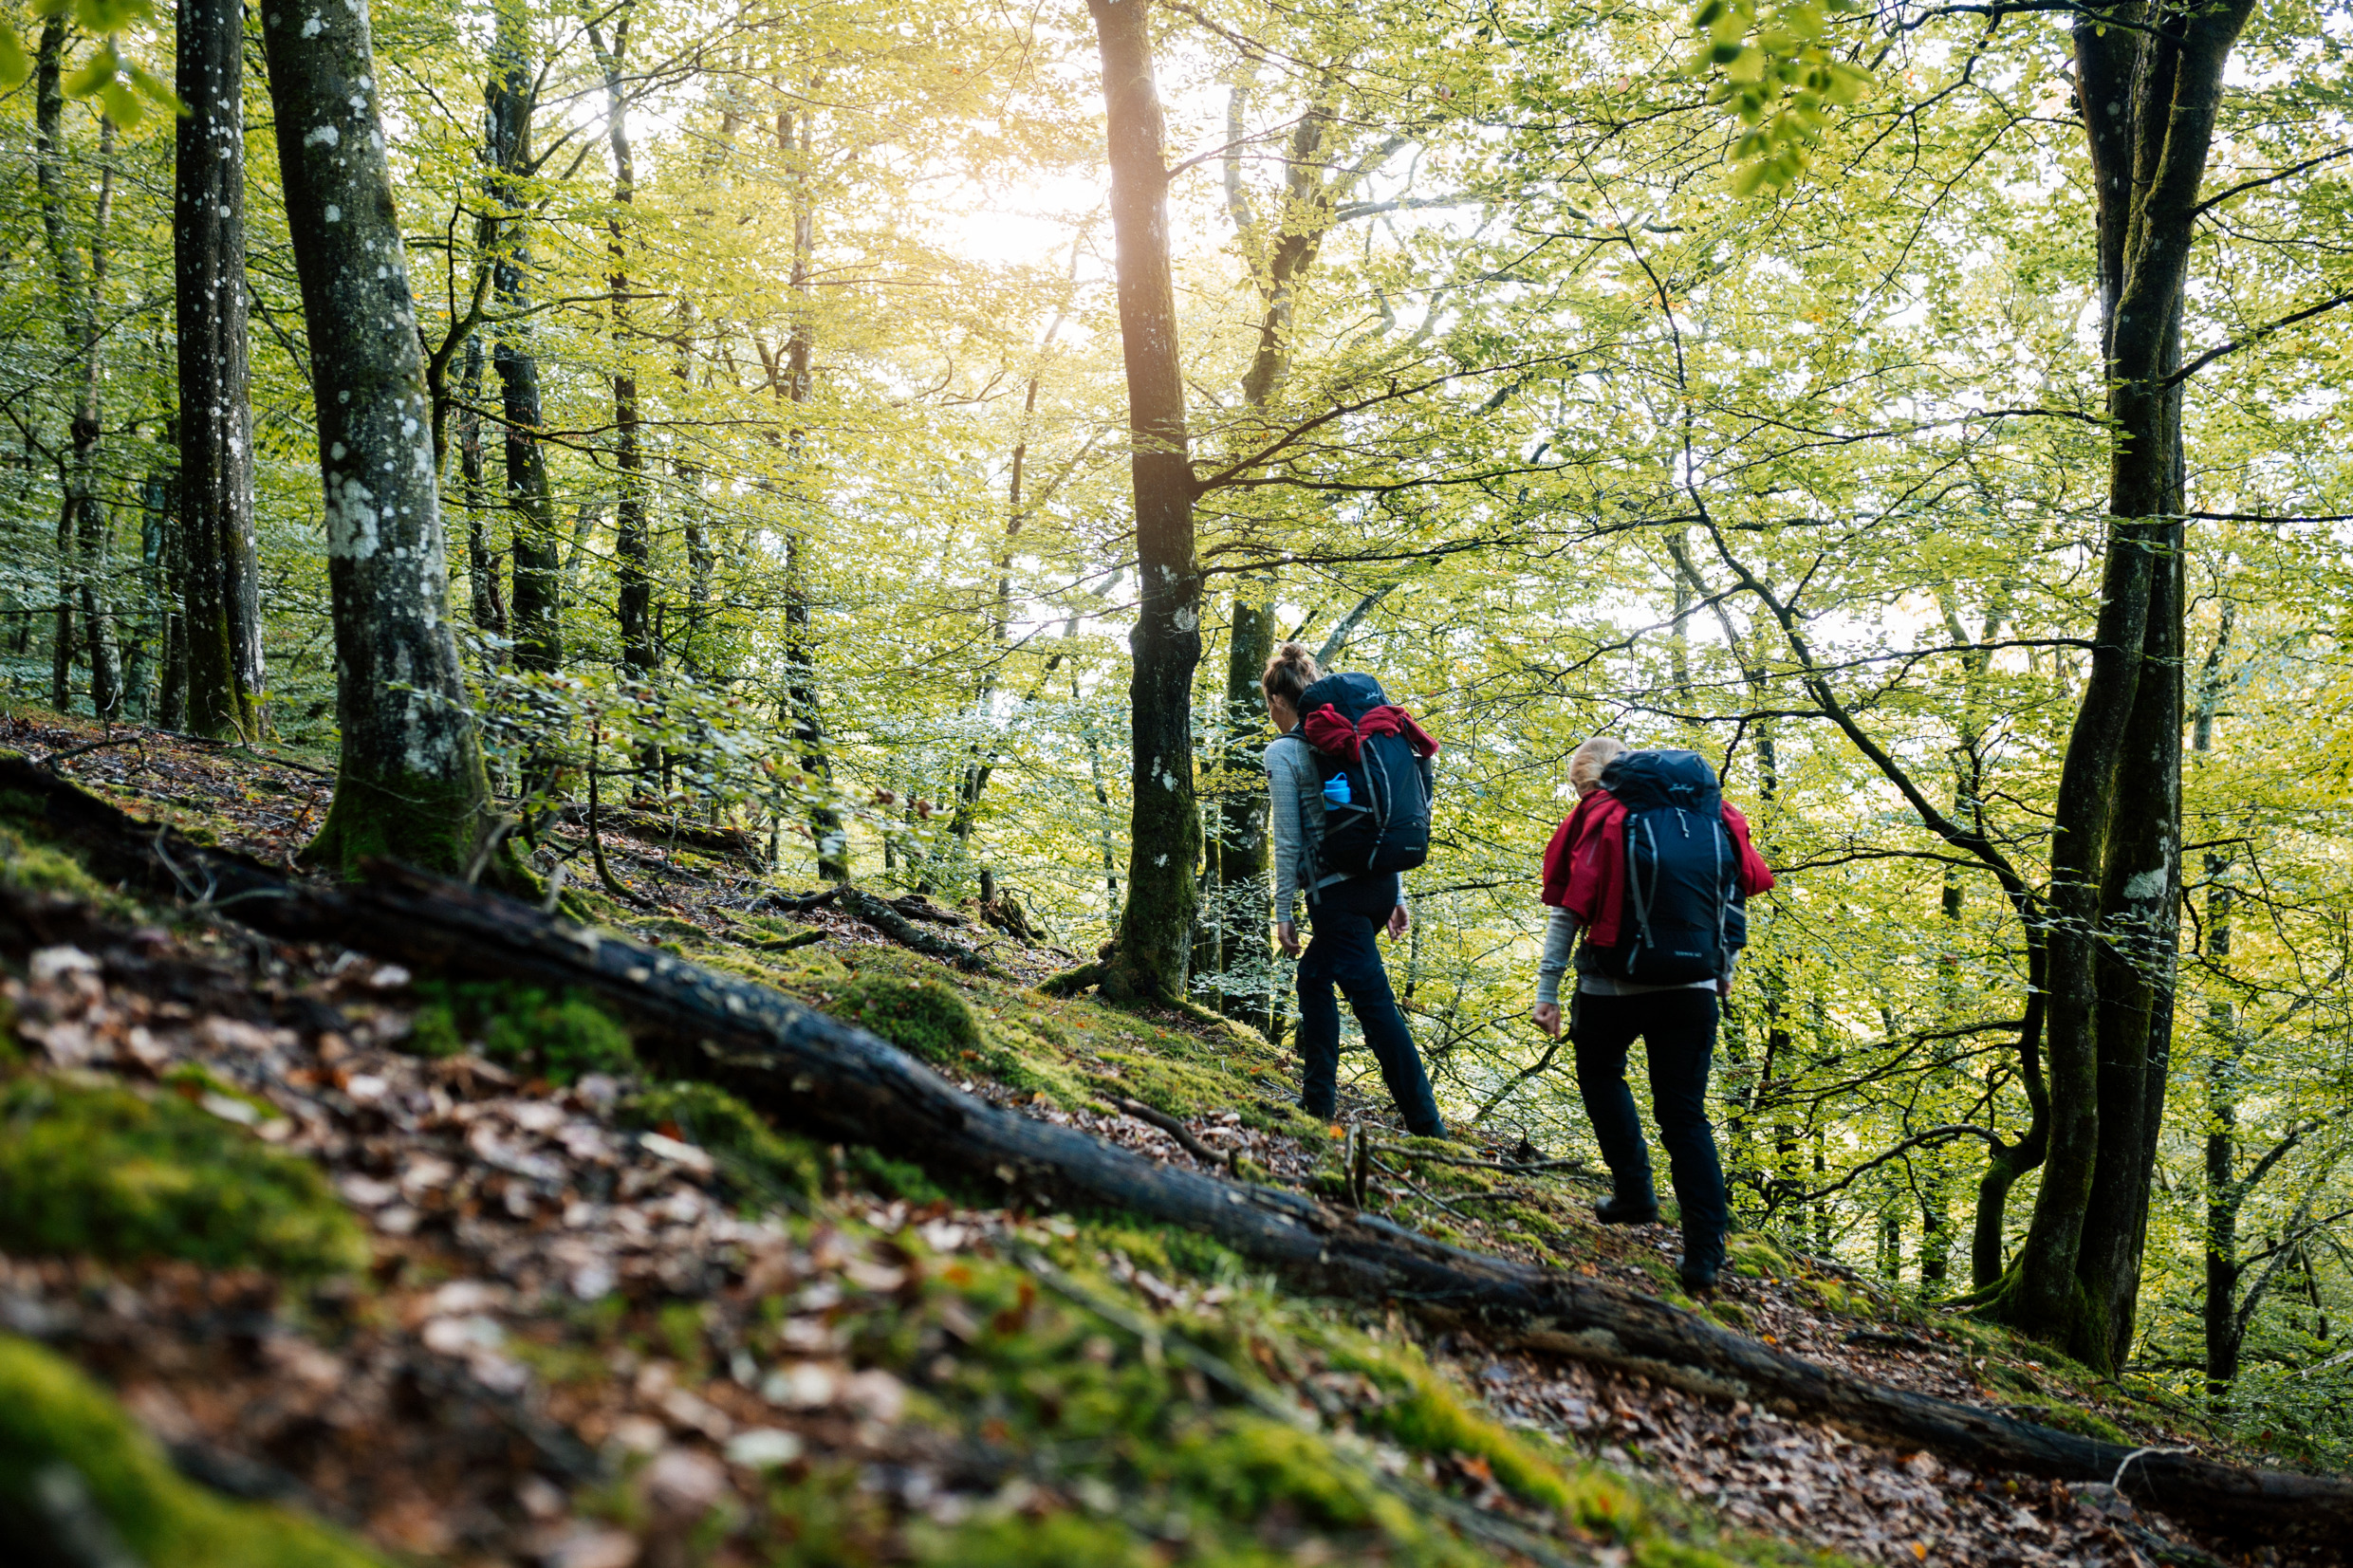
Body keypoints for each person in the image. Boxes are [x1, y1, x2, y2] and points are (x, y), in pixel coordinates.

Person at [1532, 737, 1774, 1291]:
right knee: (1685, 1116)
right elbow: (1735, 892)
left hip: (1612, 983)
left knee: (1599, 1074)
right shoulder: (1713, 813)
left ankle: (1636, 1191)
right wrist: (1723, 966)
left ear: (1593, 780)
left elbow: (1571, 909)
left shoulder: (1604, 817)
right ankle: (1704, 1255)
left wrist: (1547, 990)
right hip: (1692, 987)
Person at [1263, 641, 1447, 1138]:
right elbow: (1381, 815)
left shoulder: (1285, 751)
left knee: (1376, 1010)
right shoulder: (1351, 741)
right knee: (1314, 976)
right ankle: (1318, 1101)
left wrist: (1283, 910)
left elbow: (1287, 837)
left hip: (1337, 898)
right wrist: (1398, 897)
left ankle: (1429, 1128)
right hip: (1378, 885)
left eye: (1271, 709)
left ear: (1279, 702)